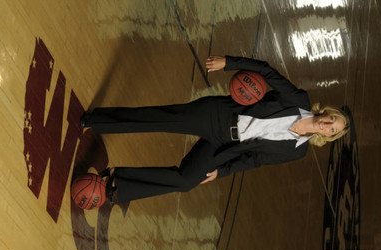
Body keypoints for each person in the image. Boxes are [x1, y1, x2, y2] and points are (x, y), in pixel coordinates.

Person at [80, 55, 349, 204]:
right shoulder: (297, 100)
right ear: (326, 112)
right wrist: (228, 64)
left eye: (332, 129)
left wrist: (222, 171)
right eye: (331, 119)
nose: (327, 125)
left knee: (187, 181)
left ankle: (119, 185)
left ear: (329, 136)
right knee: (160, 119)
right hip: (217, 116)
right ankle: (95, 121)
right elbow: (267, 72)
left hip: (223, 146)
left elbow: (254, 159)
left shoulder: (296, 152)